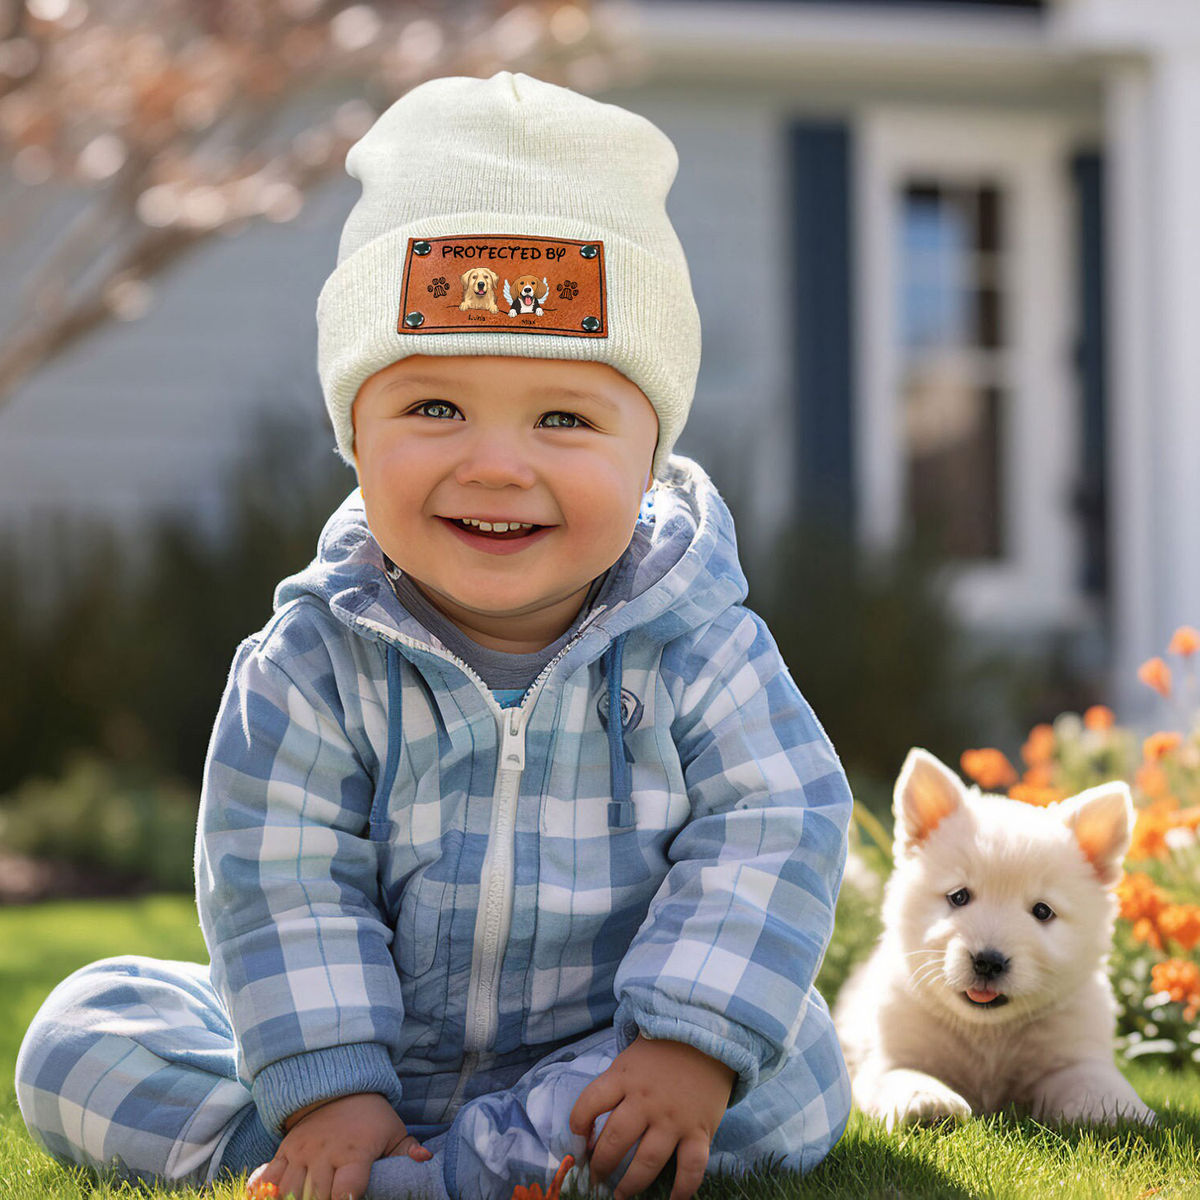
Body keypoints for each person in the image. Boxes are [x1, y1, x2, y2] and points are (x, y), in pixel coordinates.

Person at [15, 71, 853, 1200]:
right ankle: (364, 1151)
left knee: (785, 1060)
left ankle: (431, 1171)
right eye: (434, 409)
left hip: (604, 1051)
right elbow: (281, 878)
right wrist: (327, 1090)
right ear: (353, 436)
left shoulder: (702, 650)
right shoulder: (312, 663)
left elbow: (777, 825)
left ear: (649, 455)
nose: (496, 463)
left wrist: (687, 1044)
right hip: (370, 1057)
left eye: (563, 417)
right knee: (82, 1035)